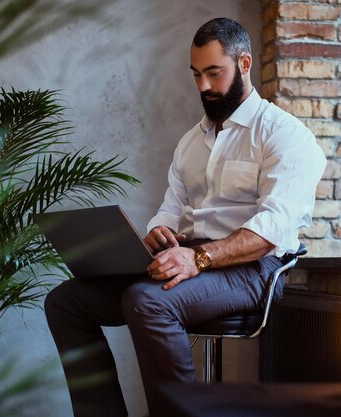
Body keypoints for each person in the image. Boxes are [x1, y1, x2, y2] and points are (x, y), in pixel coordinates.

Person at [44, 17, 326, 417]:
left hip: (254, 267)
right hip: (192, 259)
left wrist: (198, 258)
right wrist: (160, 233)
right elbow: (171, 210)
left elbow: (271, 231)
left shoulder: (285, 135)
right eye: (197, 75)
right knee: (66, 302)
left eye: (214, 73)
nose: (204, 87)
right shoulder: (191, 142)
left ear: (244, 64)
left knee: (146, 302)